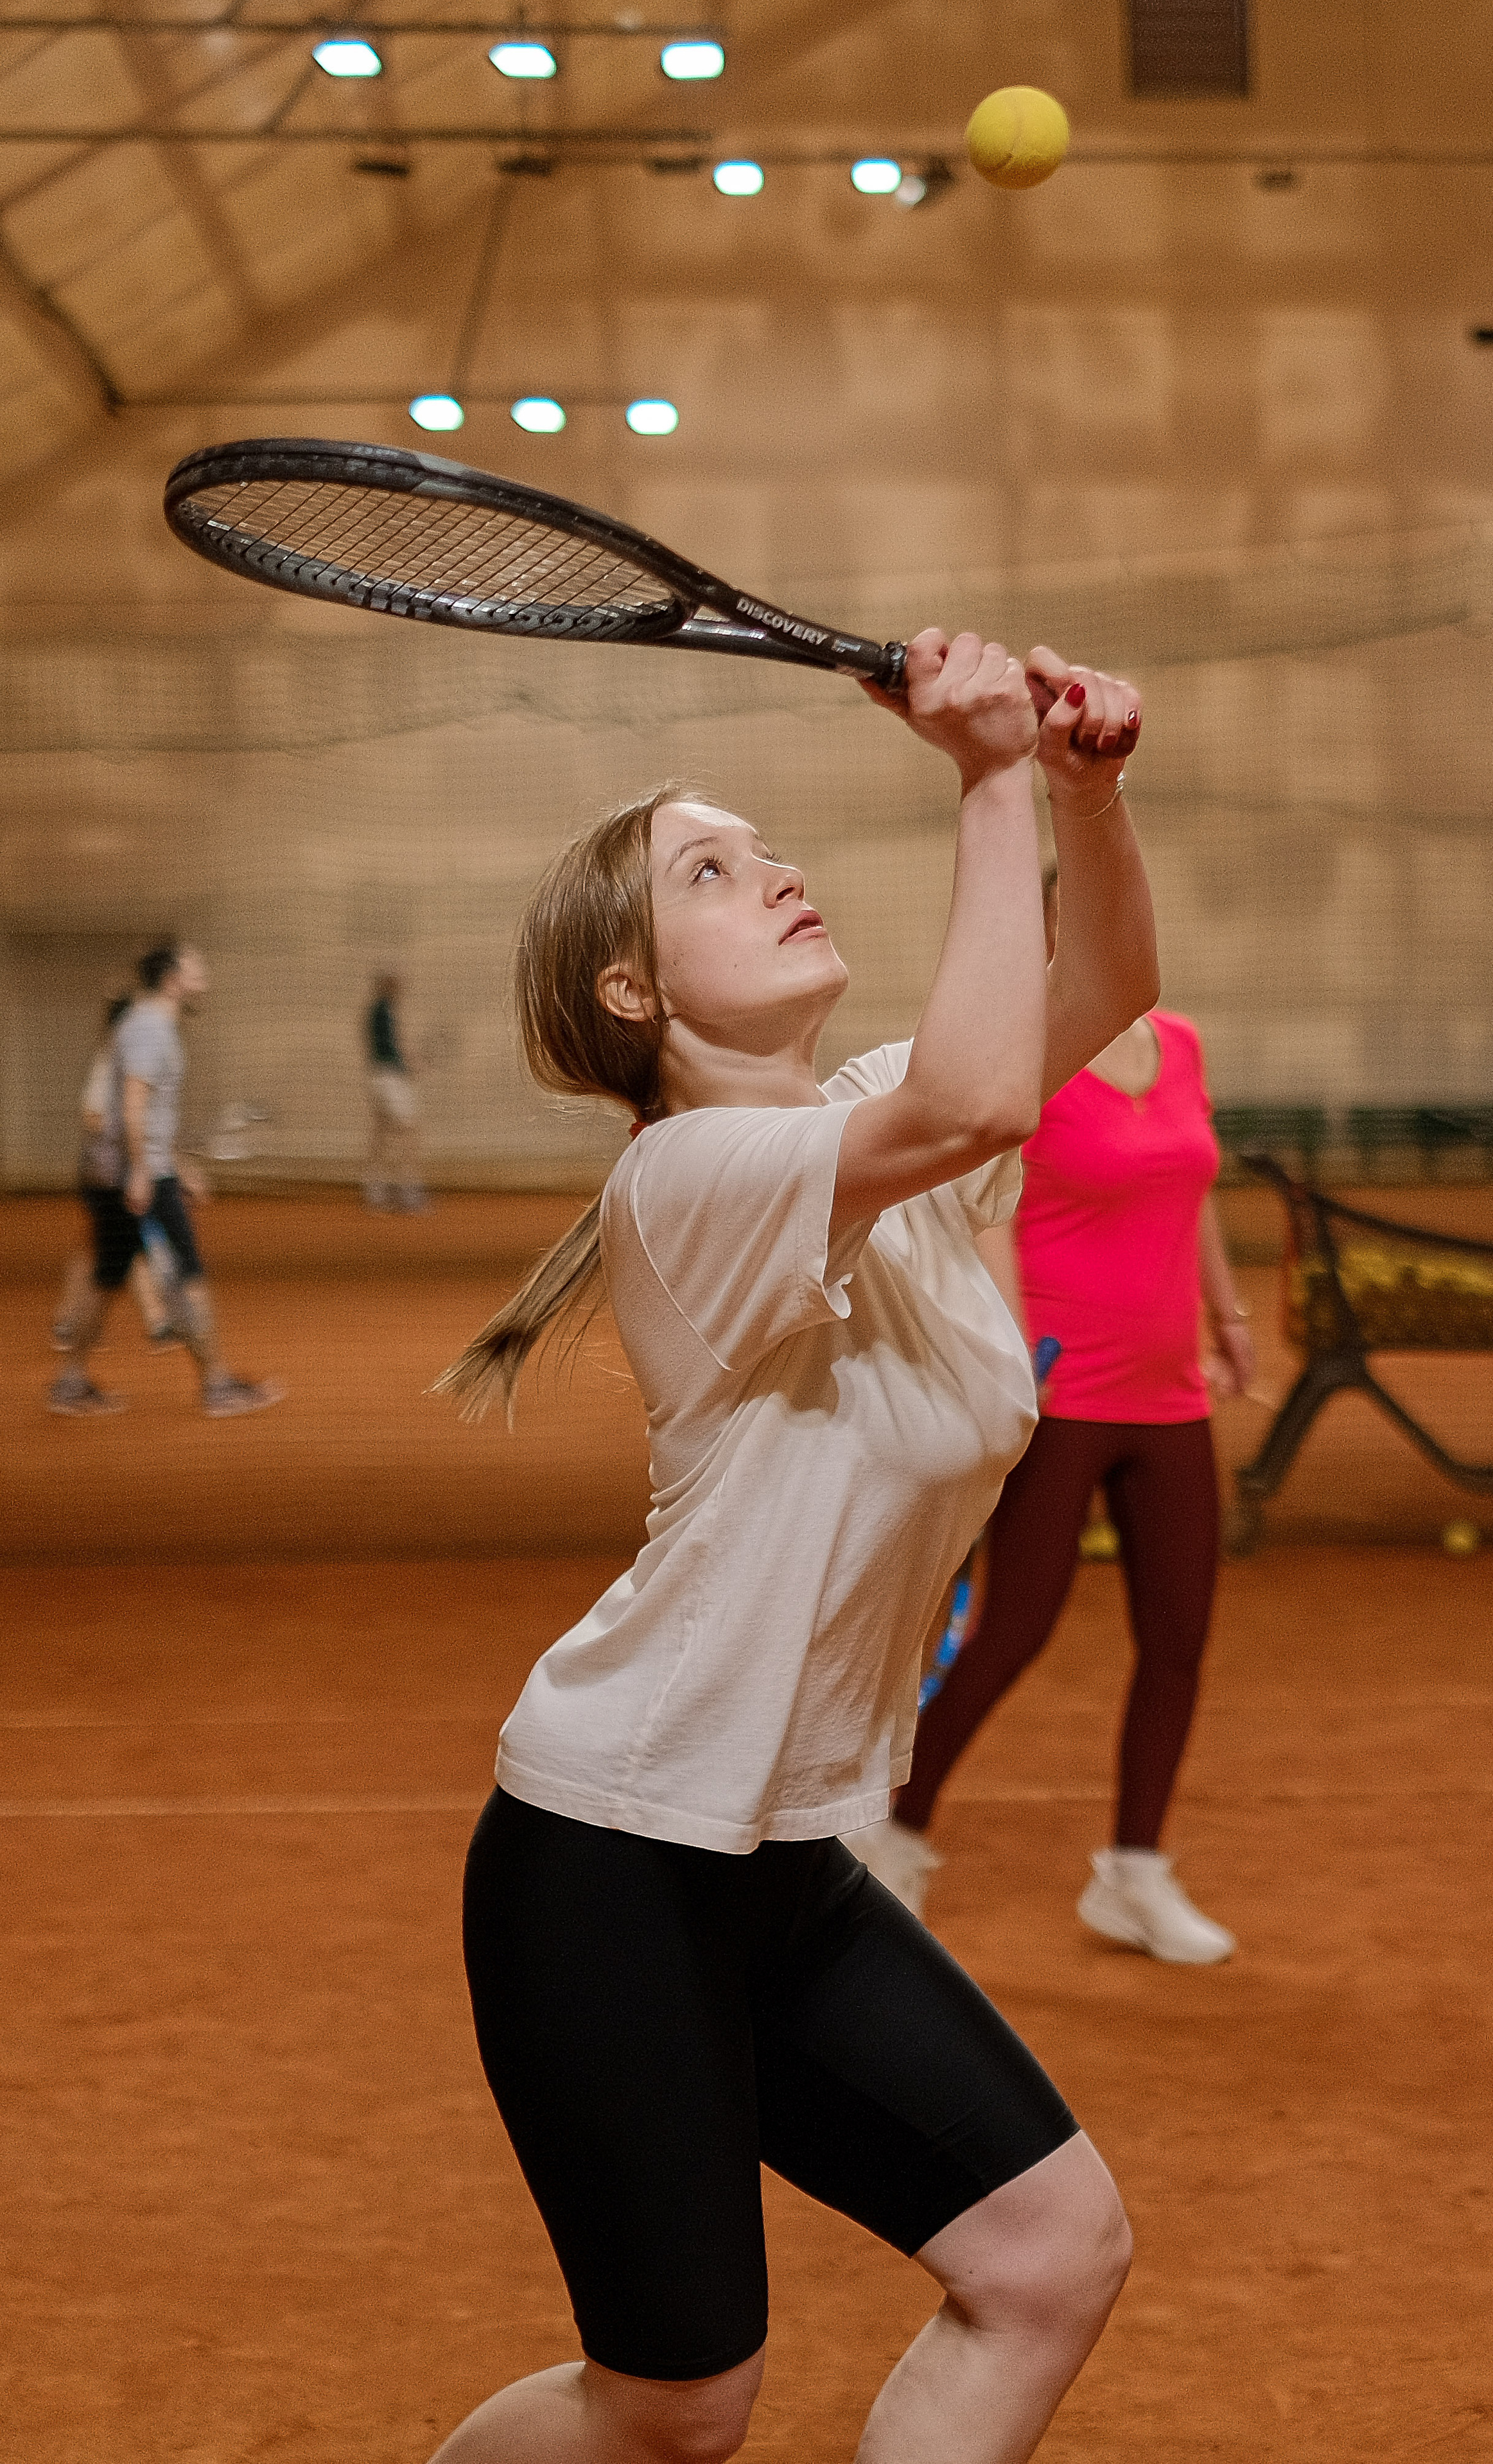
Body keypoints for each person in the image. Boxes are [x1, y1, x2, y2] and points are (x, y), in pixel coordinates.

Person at [424, 627, 1158, 2464]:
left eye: (762, 846)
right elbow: (986, 1094)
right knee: (680, 2408)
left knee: (1049, 2254)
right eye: (711, 870)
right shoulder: (686, 1181)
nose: (774, 874)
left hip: (776, 1860)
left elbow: (1100, 993)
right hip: (609, 1865)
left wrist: (1082, 791)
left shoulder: (865, 1130)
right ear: (627, 995)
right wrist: (986, 777)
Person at [854, 871, 1253, 1964]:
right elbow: (979, 1213)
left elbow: (1195, 1184)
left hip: (1170, 1393)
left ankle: (1134, 1874)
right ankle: (893, 1840)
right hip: (1064, 1383)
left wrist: (1228, 1316)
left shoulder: (1181, 1042)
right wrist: (1007, 1360)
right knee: (1012, 1631)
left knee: (1178, 1641)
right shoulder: (1021, 1061)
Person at [48, 943, 283, 1420]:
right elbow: (132, 1103)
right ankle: (216, 1385)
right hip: (135, 1176)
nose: (205, 976)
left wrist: (177, 1165)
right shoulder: (152, 1028)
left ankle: (70, 1383)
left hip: (122, 1172)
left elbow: (149, 1113)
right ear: (174, 977)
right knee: (187, 1274)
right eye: (197, 967)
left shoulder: (147, 1024)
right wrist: (143, 1170)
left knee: (109, 1274)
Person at [51, 993, 177, 1353]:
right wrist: (125, 1138)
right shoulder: (111, 1062)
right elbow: (92, 1116)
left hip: (114, 1168)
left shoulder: (126, 1059)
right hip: (107, 1171)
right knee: (122, 1243)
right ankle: (155, 1321)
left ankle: (68, 1321)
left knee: (98, 1246)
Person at [362, 971, 427, 1210]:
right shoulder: (384, 1010)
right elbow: (393, 1047)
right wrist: (411, 1064)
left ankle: (375, 1189)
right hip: (389, 1078)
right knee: (409, 1130)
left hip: (378, 1076)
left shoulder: (378, 1010)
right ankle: (408, 1190)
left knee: (381, 1133)